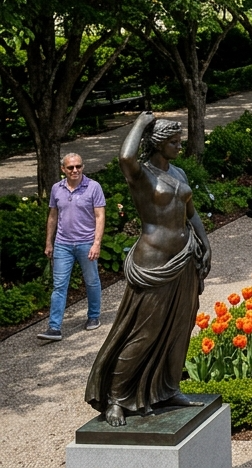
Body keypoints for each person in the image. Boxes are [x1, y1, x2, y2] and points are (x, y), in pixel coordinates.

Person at [86, 114, 211, 426]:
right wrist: (142, 122)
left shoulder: (179, 172)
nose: (179, 146)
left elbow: (190, 213)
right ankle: (117, 397)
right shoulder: (141, 175)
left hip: (184, 259)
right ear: (157, 144)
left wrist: (205, 243)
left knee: (180, 328)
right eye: (174, 142)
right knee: (145, 331)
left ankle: (168, 388)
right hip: (153, 261)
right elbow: (125, 156)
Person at [38, 153, 106, 341]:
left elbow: (100, 216)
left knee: (91, 281)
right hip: (63, 244)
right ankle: (54, 328)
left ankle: (93, 316)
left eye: (78, 166)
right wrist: (48, 242)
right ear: (63, 169)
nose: (75, 170)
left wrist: (96, 243)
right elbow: (52, 216)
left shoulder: (93, 187)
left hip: (86, 243)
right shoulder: (56, 189)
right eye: (70, 168)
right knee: (59, 285)